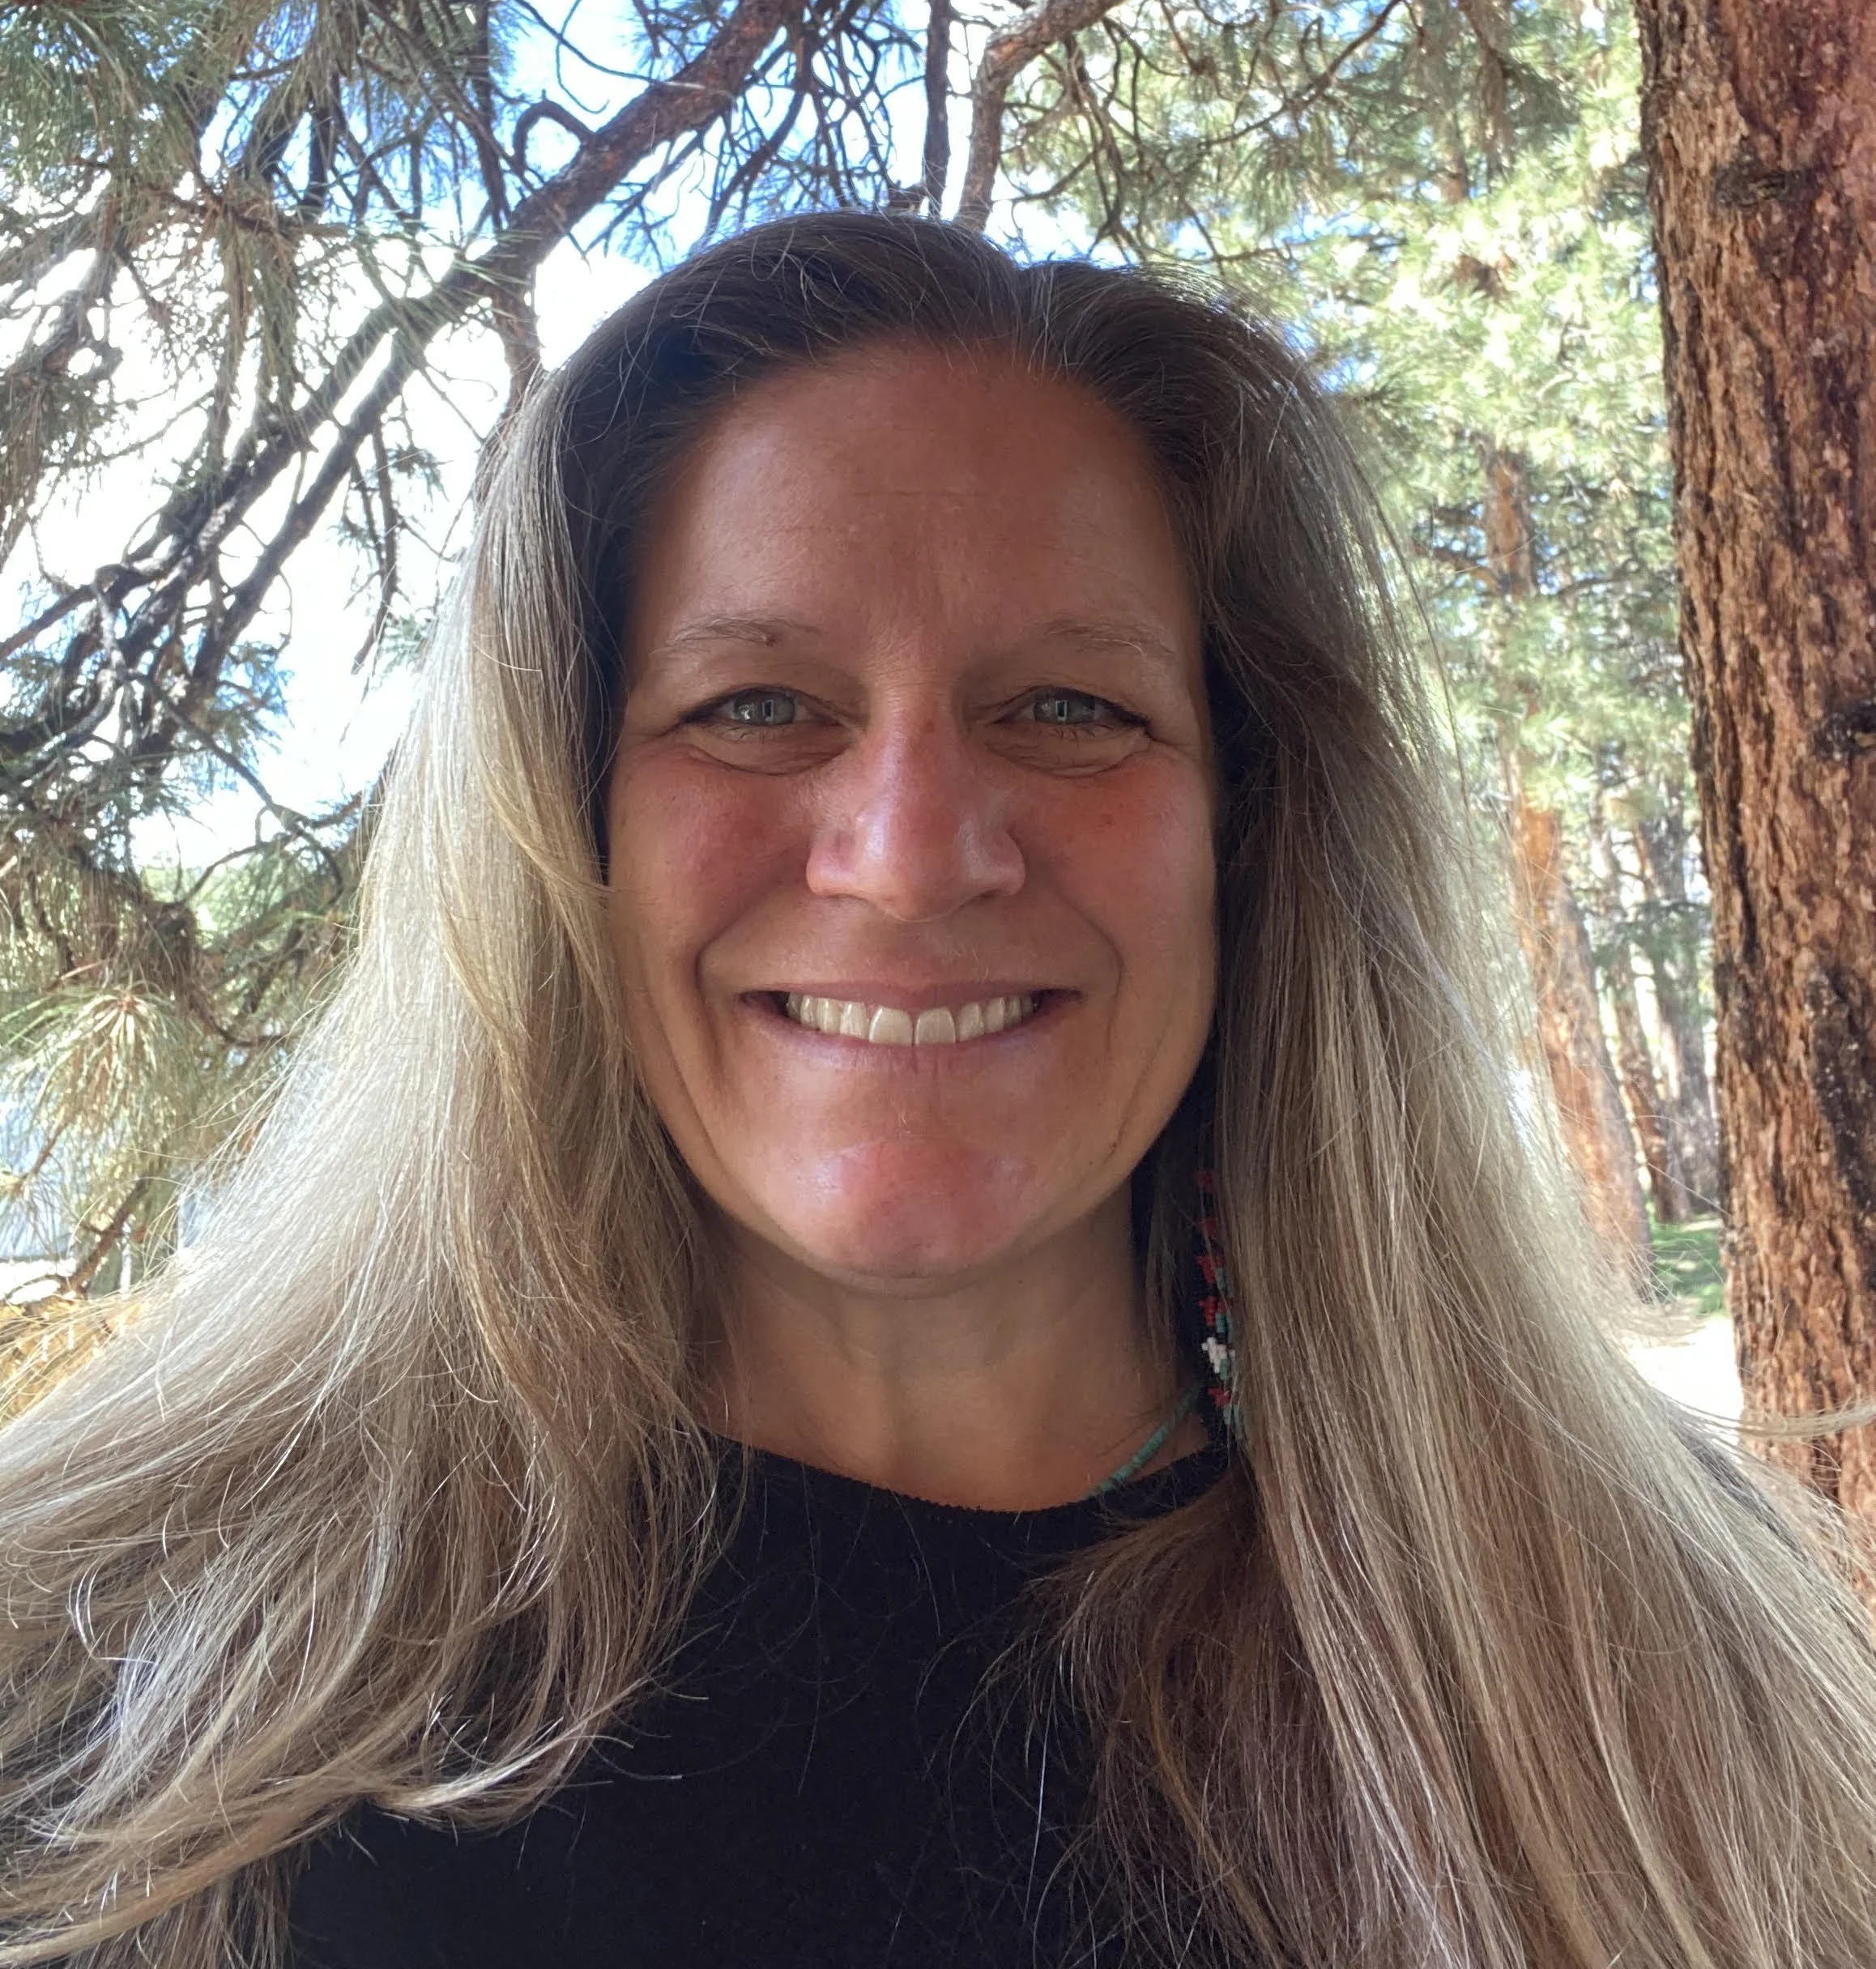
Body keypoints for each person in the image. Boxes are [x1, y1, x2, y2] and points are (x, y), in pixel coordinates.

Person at [3, 214, 1876, 1969]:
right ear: (564, 823)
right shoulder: (121, 1722)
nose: (909, 856)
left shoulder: (1679, 1684)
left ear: (1255, 829)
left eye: (1072, 707)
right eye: (756, 704)